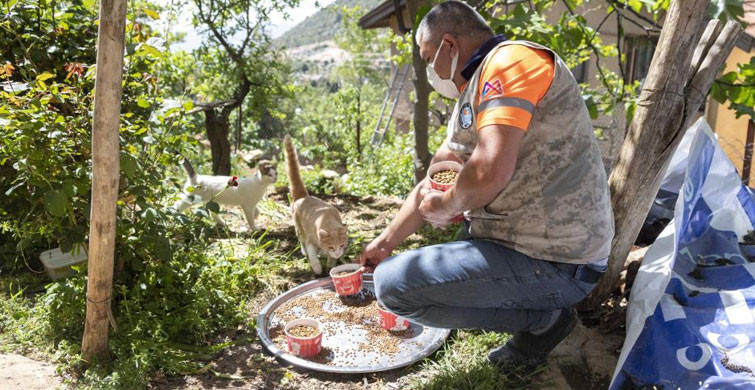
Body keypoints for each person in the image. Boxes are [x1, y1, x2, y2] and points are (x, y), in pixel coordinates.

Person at [357, 0, 614, 369]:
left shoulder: (510, 63)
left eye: (428, 58)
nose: (430, 69)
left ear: (449, 46)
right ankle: (538, 316)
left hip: (560, 262)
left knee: (395, 287)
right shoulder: (475, 92)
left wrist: (446, 206)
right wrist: (384, 244)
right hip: (521, 247)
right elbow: (437, 177)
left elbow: (489, 170)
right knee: (398, 274)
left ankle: (546, 321)